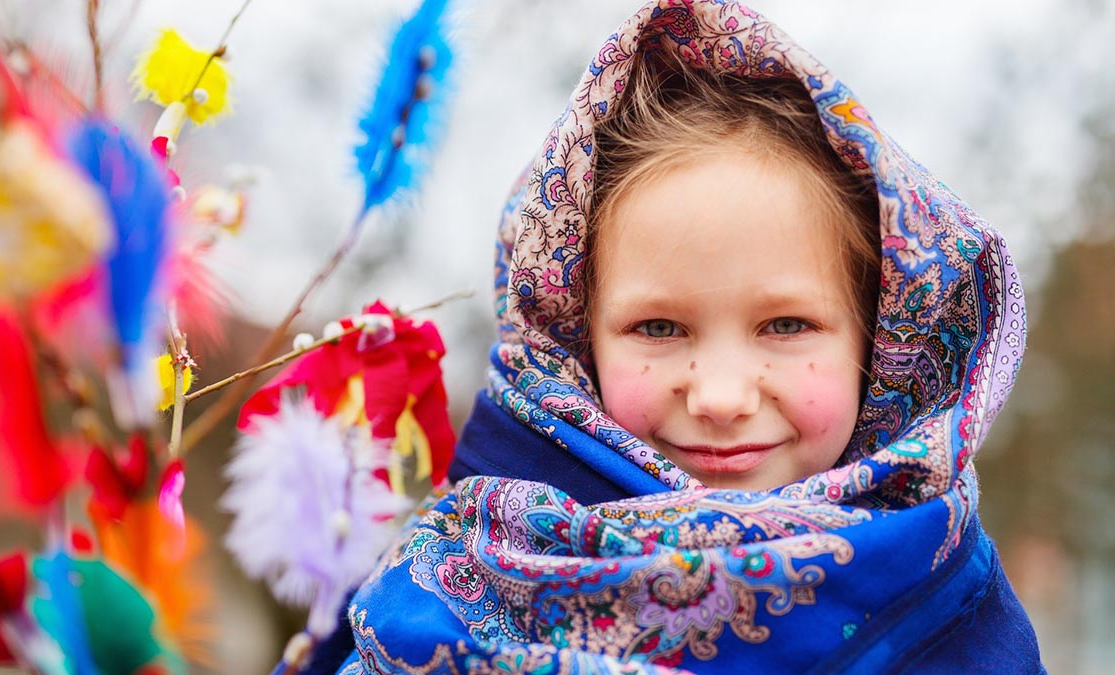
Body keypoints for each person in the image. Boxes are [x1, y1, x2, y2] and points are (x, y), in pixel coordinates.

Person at [303, 2, 1045, 672]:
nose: (721, 396)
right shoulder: (460, 572)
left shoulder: (948, 599)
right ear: (575, 339)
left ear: (879, 347)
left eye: (786, 324)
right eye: (658, 327)